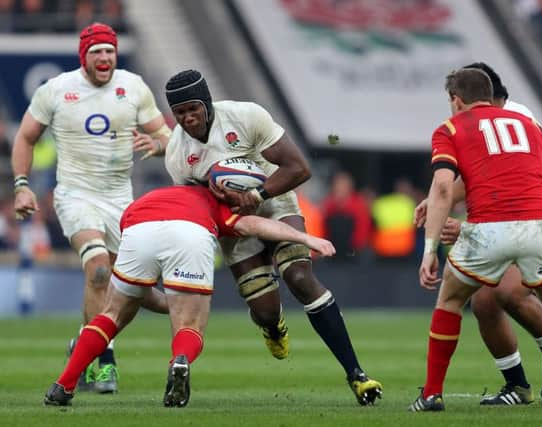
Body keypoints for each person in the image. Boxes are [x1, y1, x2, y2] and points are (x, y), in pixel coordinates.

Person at [163, 69, 382, 405]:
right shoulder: (177, 154)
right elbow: (195, 206)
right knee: (264, 310)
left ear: (206, 103)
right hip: (234, 222)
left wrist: (257, 195)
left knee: (299, 276)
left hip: (274, 200)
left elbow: (299, 167)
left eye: (193, 108)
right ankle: (272, 325)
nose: (188, 118)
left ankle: (357, 375)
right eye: (180, 113)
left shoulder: (246, 115)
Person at [408, 68, 542, 413]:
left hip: (489, 228)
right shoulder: (530, 126)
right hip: (539, 226)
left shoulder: (449, 129)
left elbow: (445, 187)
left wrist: (430, 249)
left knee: (449, 299)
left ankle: (431, 394)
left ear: (456, 101)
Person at [43, 183, 336, 408]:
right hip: (191, 233)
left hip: (137, 228)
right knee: (190, 325)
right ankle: (180, 360)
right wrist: (306, 238)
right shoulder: (215, 203)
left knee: (112, 314)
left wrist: (171, 302)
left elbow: (139, 293)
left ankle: (63, 385)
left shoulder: (153, 196)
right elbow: (253, 225)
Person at [12, 22, 171, 394]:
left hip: (120, 199)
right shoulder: (56, 90)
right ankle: (105, 359)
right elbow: (26, 136)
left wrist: (158, 144)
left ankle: (84, 344)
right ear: (83, 56)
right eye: (97, 51)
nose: (104, 57)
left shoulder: (132, 87)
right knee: (99, 269)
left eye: (110, 51)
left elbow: (165, 136)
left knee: (129, 288)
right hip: (75, 195)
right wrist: (21, 186)